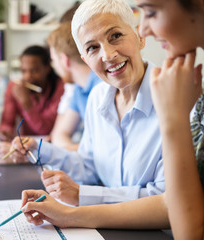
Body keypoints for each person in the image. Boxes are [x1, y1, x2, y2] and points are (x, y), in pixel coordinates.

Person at [19, 0, 204, 238]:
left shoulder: (195, 94)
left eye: (150, 12)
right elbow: (92, 165)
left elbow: (171, 207)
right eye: (92, 48)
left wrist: (75, 208)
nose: (145, 29)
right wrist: (43, 153)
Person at [8, 0, 164, 207]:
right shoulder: (98, 96)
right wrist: (39, 150)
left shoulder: (174, 96)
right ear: (85, 59)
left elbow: (164, 197)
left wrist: (83, 195)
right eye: (92, 48)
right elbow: (90, 166)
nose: (107, 55)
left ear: (140, 36)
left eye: (115, 36)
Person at [0, 45, 64, 162]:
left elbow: (44, 129)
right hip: (24, 150)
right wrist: (5, 132)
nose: (28, 77)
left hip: (51, 151)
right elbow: (6, 122)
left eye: (34, 71)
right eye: (23, 71)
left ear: (47, 68)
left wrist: (26, 103)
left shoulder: (61, 88)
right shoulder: (14, 87)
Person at [48, 22, 102, 151]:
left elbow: (105, 150)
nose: (54, 67)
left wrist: (65, 150)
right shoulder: (79, 88)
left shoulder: (103, 86)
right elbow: (59, 135)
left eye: (53, 60)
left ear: (64, 60)